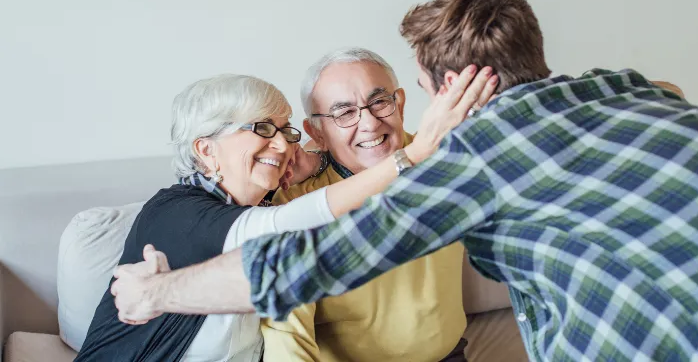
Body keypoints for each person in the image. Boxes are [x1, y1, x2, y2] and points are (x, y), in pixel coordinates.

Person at [111, 0, 698, 361]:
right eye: (343, 111)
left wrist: (155, 293)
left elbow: (302, 262)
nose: (370, 121)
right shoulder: (625, 87)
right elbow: (287, 258)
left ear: (453, 91)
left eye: (394, 94)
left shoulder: (467, 160)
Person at [74, 70, 494, 361]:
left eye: (284, 130)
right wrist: (414, 154)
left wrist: (313, 159)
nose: (279, 145)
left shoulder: (268, 200)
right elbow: (287, 226)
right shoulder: (174, 213)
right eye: (261, 128)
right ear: (205, 150)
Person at [262, 47, 510, 362]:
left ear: (400, 103)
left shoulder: (447, 160)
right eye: (344, 112)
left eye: (379, 102)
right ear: (316, 131)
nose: (368, 123)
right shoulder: (297, 203)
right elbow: (286, 330)